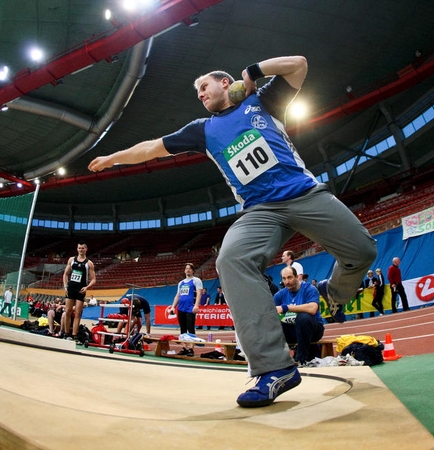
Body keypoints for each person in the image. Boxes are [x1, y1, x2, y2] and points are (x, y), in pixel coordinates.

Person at [88, 55, 376, 408]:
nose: (200, 94)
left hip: (303, 194)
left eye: (204, 86)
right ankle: (275, 368)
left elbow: (299, 65)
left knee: (363, 252)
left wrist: (254, 72)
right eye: (197, 91)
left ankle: (332, 295)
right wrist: (113, 158)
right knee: (230, 260)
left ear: (226, 83)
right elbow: (151, 148)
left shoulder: (263, 100)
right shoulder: (201, 130)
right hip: (259, 210)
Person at [273, 267, 324, 365]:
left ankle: (301, 360)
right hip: (292, 331)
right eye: (284, 279)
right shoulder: (279, 295)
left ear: (297, 277)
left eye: (290, 278)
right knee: (271, 322)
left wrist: (286, 307)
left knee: (303, 317)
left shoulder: (310, 289)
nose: (287, 282)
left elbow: (313, 309)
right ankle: (274, 360)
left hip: (313, 330)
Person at [62, 241, 96, 339]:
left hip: (81, 290)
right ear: (77, 249)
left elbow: (93, 279)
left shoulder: (89, 263)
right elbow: (65, 274)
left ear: (86, 249)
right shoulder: (71, 260)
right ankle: (66, 333)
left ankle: (74, 335)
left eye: (83, 248)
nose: (81, 250)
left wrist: (86, 287)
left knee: (77, 313)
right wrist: (65, 286)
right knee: (68, 311)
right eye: (79, 248)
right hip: (71, 288)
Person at [168, 263, 203, 356]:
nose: (188, 270)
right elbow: (177, 296)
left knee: (190, 328)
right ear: (184, 270)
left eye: (189, 269)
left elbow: (199, 294)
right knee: (182, 329)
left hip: (190, 308)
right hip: (181, 308)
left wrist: (196, 305)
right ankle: (184, 348)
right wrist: (173, 307)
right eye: (186, 268)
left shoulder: (196, 280)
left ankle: (191, 349)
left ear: (193, 271)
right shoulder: (181, 283)